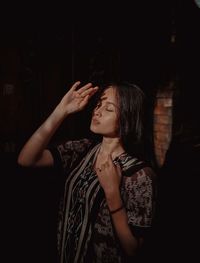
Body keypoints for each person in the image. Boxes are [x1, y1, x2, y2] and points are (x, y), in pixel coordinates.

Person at [18, 80, 156, 263]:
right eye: (99, 104)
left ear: (128, 117)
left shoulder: (139, 174)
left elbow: (133, 249)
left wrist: (112, 192)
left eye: (109, 108)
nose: (97, 110)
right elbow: (26, 159)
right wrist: (61, 111)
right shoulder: (82, 149)